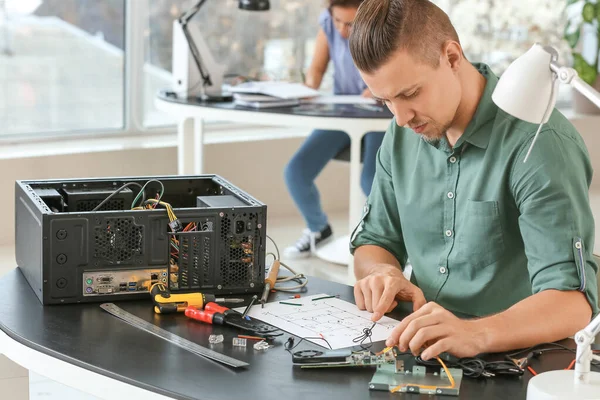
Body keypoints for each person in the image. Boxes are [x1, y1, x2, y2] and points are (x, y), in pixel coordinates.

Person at [348, 0, 598, 361]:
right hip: (424, 348)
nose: (400, 118)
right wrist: (384, 273)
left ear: (451, 57)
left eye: (410, 93)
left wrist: (474, 333)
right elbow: (374, 241)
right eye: (384, 100)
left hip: (515, 358)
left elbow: (572, 304)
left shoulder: (538, 144)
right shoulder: (404, 132)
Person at [283, 0, 385, 259]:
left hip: (377, 114)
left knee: (370, 180)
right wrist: (306, 90)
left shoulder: (382, 27)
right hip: (343, 112)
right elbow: (316, 69)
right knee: (296, 171)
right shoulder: (328, 23)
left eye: (349, 24)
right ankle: (319, 229)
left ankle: (388, 246)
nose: (342, 30)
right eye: (337, 21)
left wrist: (379, 87)